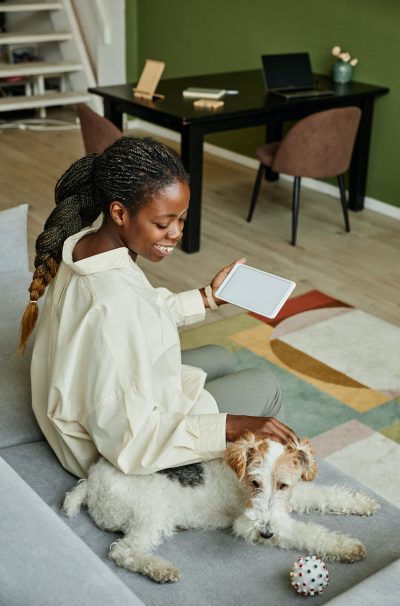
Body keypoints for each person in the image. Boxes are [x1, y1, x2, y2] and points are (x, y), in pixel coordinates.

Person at [19, 136, 297, 479]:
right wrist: (230, 426)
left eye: (181, 219)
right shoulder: (114, 304)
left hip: (77, 406)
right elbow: (131, 442)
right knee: (265, 384)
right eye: (163, 223)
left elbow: (144, 312)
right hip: (100, 449)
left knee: (220, 355)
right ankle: (268, 482)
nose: (176, 233)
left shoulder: (86, 245)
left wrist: (207, 296)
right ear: (119, 212)